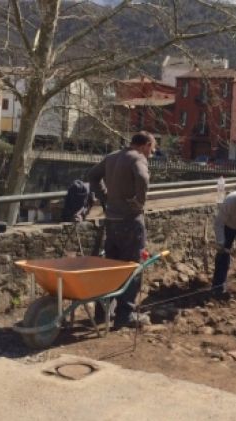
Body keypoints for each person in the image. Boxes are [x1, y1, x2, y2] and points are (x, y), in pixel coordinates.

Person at [86, 131, 156, 327]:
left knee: (113, 266)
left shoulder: (112, 157)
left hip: (112, 220)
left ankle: (104, 311)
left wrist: (105, 197)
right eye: (152, 148)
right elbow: (142, 178)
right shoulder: (137, 158)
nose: (152, 153)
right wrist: (139, 202)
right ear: (146, 145)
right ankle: (126, 315)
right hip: (130, 221)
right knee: (134, 267)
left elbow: (92, 176)